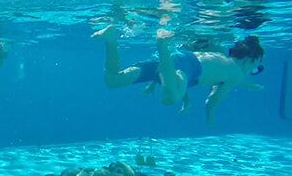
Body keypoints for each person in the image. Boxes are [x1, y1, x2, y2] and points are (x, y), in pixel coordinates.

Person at [92, 25, 265, 125]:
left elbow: (188, 77)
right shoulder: (235, 73)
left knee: (113, 80)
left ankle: (110, 39)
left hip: (176, 58)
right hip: (185, 66)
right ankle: (162, 43)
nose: (255, 68)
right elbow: (212, 101)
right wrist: (210, 115)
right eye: (257, 64)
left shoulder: (220, 57)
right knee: (170, 98)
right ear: (251, 59)